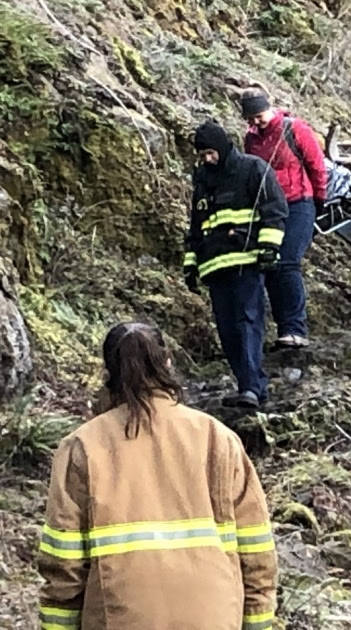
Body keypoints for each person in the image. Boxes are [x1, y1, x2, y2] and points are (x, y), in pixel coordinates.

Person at [38, 322, 278, 630]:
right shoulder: (218, 438)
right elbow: (257, 550)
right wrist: (257, 622)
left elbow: (63, 565)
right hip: (214, 615)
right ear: (167, 362)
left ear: (109, 373)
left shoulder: (82, 446)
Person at [183, 121, 287, 408]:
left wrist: (268, 248)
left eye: (210, 153)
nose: (206, 159)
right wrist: (191, 263)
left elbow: (274, 210)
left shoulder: (252, 169)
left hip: (246, 262)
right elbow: (196, 227)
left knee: (248, 323)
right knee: (227, 331)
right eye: (202, 154)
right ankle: (247, 385)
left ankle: (252, 387)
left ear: (222, 147)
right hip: (215, 267)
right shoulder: (202, 181)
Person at [242, 90, 326, 348]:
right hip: (270, 208)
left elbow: (316, 165)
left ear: (269, 108)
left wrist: (319, 200)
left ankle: (295, 329)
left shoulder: (295, 129)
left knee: (288, 262)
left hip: (300, 202)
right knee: (270, 264)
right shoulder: (251, 139)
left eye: (259, 116)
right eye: (250, 119)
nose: (257, 122)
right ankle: (283, 329)